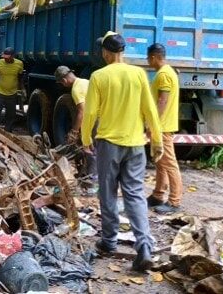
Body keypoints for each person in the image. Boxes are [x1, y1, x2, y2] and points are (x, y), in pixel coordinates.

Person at [81, 31, 163, 272]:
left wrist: (86, 138)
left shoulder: (99, 76)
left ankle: (109, 240)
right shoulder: (138, 73)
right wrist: (156, 140)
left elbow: (90, 112)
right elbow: (150, 110)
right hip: (136, 144)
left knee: (108, 192)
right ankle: (144, 247)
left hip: (108, 142)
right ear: (123, 51)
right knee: (135, 194)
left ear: (106, 53)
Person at [146, 43, 183, 214]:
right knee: (160, 162)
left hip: (163, 126)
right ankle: (158, 195)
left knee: (169, 163)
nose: (148, 62)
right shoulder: (166, 73)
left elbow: (163, 101)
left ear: (154, 57)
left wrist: (154, 124)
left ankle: (174, 201)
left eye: (148, 58)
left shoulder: (164, 75)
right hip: (161, 126)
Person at [55, 65, 97, 194]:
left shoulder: (76, 89)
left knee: (90, 148)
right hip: (101, 116)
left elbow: (81, 111)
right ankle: (88, 174)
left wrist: (74, 131)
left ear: (64, 80)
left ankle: (92, 181)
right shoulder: (85, 81)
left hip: (95, 119)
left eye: (62, 83)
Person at [0, 47, 23, 132]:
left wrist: (23, 89)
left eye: (7, 57)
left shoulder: (19, 64)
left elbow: (20, 77)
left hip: (12, 93)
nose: (5, 59)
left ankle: (7, 132)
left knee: (11, 114)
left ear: (13, 56)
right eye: (4, 57)